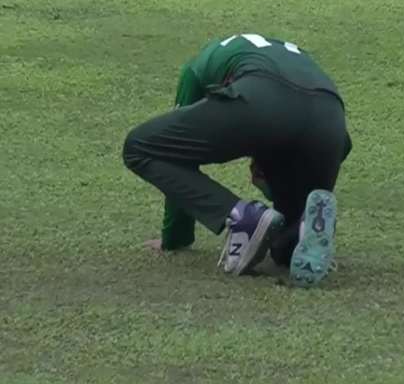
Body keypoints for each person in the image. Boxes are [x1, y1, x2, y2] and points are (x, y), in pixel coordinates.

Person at [122, 33, 352, 287]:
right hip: (331, 120)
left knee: (140, 147)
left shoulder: (196, 67)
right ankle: (302, 228)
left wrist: (175, 237)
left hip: (263, 99)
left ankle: (242, 216)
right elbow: (343, 145)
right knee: (284, 238)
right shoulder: (294, 54)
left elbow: (176, 154)